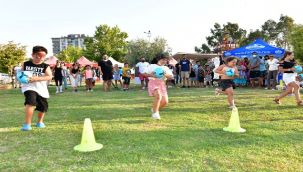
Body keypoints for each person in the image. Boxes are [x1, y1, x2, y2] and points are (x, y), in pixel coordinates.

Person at [20, 46, 52, 131]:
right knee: (31, 102)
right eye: (38, 56)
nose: (41, 58)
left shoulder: (45, 66)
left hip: (41, 89)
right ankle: (27, 124)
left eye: (43, 57)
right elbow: (20, 75)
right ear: (32, 55)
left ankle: (40, 122)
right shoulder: (25, 64)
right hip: (28, 87)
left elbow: (49, 77)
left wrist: (36, 78)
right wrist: (23, 78)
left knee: (43, 107)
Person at [143, 53, 173, 120]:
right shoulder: (152, 66)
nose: (164, 61)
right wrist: (152, 75)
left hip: (162, 84)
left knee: (165, 102)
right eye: (163, 59)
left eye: (166, 60)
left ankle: (154, 109)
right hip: (153, 83)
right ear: (158, 59)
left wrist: (165, 75)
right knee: (158, 96)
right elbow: (144, 74)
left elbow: (171, 76)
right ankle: (155, 114)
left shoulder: (165, 68)